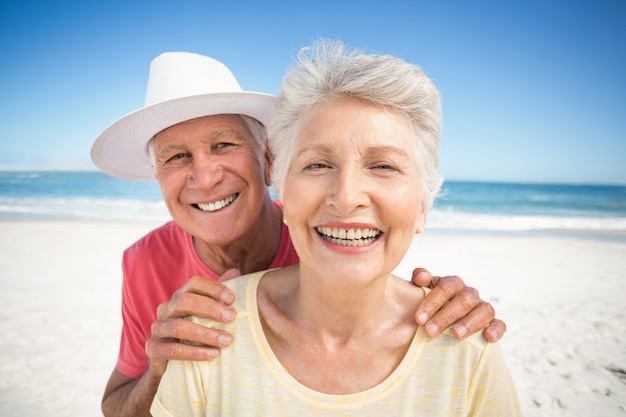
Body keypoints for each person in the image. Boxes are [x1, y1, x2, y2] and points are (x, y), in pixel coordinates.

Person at [91, 51, 506, 417]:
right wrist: (162, 368)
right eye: (177, 157)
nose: (204, 176)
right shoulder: (144, 260)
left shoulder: (331, 240)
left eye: (223, 145)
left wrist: (452, 305)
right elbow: (116, 405)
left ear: (269, 161)